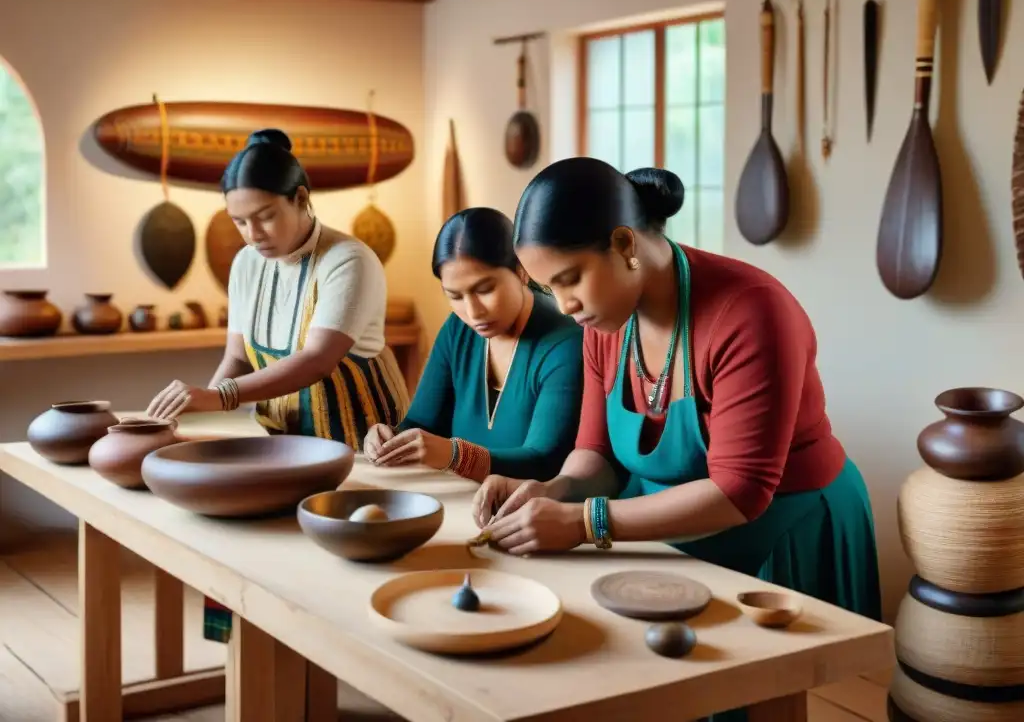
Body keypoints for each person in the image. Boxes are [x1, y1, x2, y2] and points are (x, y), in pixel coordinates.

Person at [473, 159, 881, 711]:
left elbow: (740, 491)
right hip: (663, 512)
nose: (564, 306)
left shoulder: (752, 311)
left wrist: (583, 520)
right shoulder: (605, 321)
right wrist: (554, 492)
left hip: (780, 520)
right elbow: (594, 453)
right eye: (549, 286)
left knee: (745, 696)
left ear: (624, 244)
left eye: (570, 279)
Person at [146, 128, 410, 643]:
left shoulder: (349, 260)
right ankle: (250, 668)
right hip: (279, 444)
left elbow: (315, 361)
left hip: (358, 447)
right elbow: (236, 358)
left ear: (302, 199)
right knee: (241, 552)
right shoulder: (247, 263)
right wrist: (193, 411)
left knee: (332, 580)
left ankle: (342, 669)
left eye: (265, 215)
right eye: (239, 220)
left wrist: (219, 398)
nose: (252, 233)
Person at [363, 207, 583, 483]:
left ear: (521, 271)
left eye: (484, 290)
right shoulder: (458, 329)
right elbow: (422, 424)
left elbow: (545, 461)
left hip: (534, 513)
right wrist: (388, 437)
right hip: (462, 503)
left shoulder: (565, 341)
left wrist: (456, 455)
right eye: (454, 296)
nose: (473, 311)